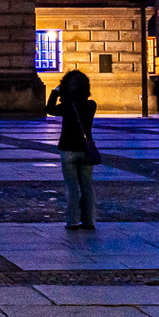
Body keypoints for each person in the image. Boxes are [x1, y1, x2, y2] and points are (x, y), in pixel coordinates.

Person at [47, 70, 98, 230]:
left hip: (68, 149)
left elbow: (49, 109)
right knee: (87, 186)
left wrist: (56, 91)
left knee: (72, 187)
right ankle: (89, 221)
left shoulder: (67, 106)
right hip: (85, 150)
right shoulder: (91, 105)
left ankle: (72, 221)